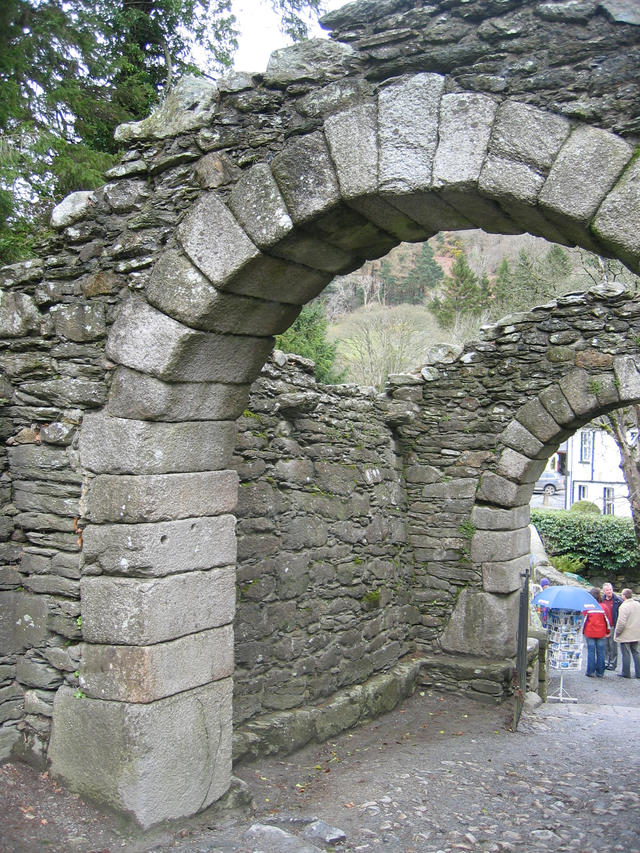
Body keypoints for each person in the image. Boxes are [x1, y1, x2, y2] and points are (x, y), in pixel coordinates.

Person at [582, 587, 610, 678]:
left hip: (590, 632)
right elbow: (608, 621)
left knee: (591, 651)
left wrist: (582, 631)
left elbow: (584, 620)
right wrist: (608, 631)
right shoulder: (604, 607)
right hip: (601, 632)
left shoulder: (588, 607)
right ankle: (600, 672)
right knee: (601, 652)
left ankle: (590, 671)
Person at [613, 589, 640, 679]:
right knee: (636, 653)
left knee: (626, 653)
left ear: (624, 596)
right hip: (636, 633)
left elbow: (621, 622)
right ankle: (638, 673)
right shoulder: (637, 604)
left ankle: (626, 672)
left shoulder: (624, 606)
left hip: (626, 633)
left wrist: (617, 633)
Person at [600, 582, 623, 670]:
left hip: (613, 625)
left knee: (613, 645)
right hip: (604, 625)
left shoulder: (618, 600)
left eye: (610, 589)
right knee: (605, 645)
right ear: (604, 591)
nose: (609, 591)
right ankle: (606, 662)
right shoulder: (601, 600)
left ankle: (613, 664)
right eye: (607, 590)